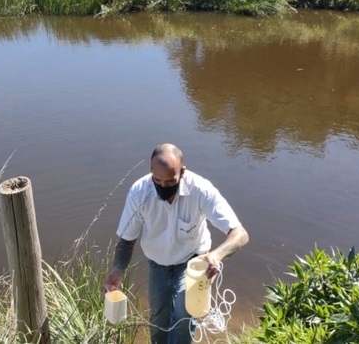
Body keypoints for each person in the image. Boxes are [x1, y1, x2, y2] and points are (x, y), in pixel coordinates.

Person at [102, 143, 249, 344]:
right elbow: (127, 241)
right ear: (151, 172)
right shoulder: (139, 192)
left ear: (183, 172)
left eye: (170, 182)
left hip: (193, 262)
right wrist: (117, 268)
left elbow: (240, 234)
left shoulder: (201, 189)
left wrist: (216, 255)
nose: (163, 187)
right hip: (157, 264)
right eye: (157, 181)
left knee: (184, 314)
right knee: (158, 317)